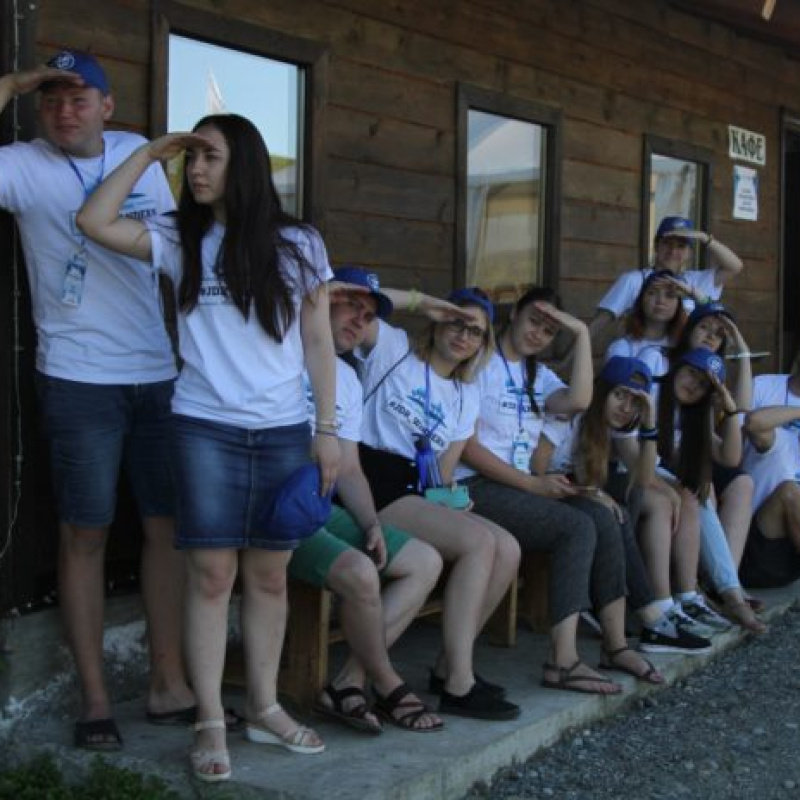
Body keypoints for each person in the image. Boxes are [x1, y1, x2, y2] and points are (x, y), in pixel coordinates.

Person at [77, 114, 339, 781]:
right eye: (190, 158)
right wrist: (148, 156)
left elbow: (318, 340)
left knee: (270, 576)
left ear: (243, 164)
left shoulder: (300, 242)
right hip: (202, 427)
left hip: (283, 430)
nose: (195, 169)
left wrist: (328, 429)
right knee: (213, 577)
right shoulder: (176, 235)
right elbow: (93, 221)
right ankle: (210, 720)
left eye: (209, 157)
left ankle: (264, 707)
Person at [0, 50, 194, 750]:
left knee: (166, 528)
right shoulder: (22, 165)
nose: (64, 110)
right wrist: (12, 84)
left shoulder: (138, 155)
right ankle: (94, 699)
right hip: (78, 376)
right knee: (85, 533)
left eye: (80, 97)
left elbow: (173, 253)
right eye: (51, 98)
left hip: (157, 372)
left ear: (108, 107)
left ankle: (168, 684)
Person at [459, 286, 657, 693]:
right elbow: (467, 448)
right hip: (474, 484)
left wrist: (581, 333)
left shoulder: (540, 376)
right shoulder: (480, 362)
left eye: (550, 330)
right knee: (575, 527)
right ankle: (563, 660)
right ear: (515, 314)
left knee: (605, 515)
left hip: (518, 487)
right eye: (534, 321)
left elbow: (580, 399)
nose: (538, 334)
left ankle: (615, 644)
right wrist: (533, 484)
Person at [354, 286, 522, 721]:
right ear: (437, 322)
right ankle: (459, 684)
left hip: (417, 490)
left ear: (483, 343)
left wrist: (452, 502)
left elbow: (442, 476)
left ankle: (450, 665)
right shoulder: (394, 351)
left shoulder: (466, 395)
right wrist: (421, 302)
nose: (464, 335)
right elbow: (358, 301)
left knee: (507, 547)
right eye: (455, 322)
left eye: (475, 331)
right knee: (478, 543)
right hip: (371, 477)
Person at [293, 267, 444, 734]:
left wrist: (371, 523)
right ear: (324, 299)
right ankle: (387, 680)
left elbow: (351, 469)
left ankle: (348, 681)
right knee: (361, 572)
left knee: (424, 561)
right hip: (282, 509)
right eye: (351, 307)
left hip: (326, 508)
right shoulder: (279, 353)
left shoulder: (347, 378)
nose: (360, 321)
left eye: (368, 316)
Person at [542, 356, 711, 656]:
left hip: (570, 489)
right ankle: (649, 615)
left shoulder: (614, 422)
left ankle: (629, 605)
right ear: (601, 390)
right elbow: (536, 468)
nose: (625, 407)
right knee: (612, 511)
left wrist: (649, 423)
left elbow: (642, 478)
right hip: (541, 488)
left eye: (635, 402)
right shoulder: (572, 414)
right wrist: (590, 493)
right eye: (619, 395)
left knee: (631, 495)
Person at [657, 348, 765, 633]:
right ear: (678, 368)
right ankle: (729, 596)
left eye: (704, 384)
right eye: (691, 373)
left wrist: (730, 410)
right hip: (632, 474)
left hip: (664, 480)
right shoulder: (655, 394)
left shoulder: (695, 413)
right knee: (694, 493)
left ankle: (726, 592)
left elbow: (730, 457)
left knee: (699, 493)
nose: (694, 384)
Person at [590, 215, 743, 356]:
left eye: (681, 246)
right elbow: (598, 323)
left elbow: (734, 267)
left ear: (689, 253)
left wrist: (704, 238)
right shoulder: (634, 280)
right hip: (638, 360)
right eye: (667, 244)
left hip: (684, 365)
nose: (673, 251)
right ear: (656, 246)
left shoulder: (696, 280)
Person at [738, 354, 800, 587]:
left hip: (791, 555)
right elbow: (754, 423)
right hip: (757, 547)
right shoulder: (781, 439)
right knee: (789, 492)